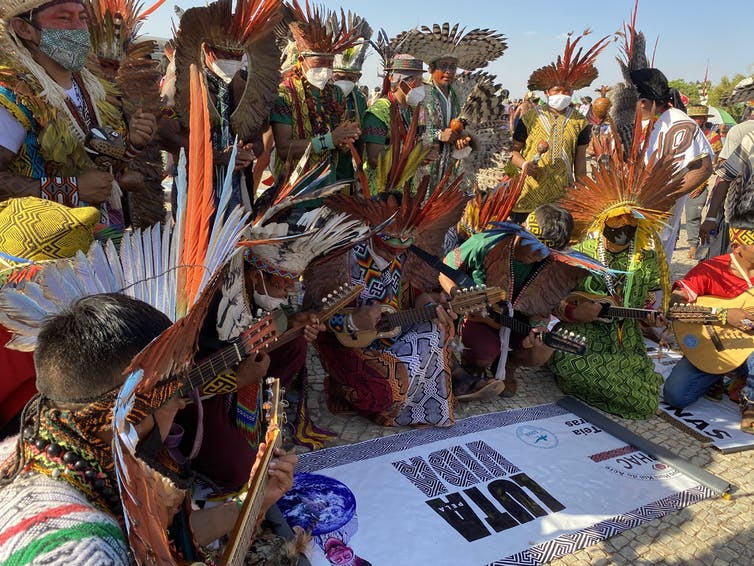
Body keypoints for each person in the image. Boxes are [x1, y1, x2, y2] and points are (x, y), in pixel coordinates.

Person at [0, 294, 297, 563]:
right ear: (131, 413)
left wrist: (253, 500)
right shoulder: (85, 552)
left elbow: (158, 537)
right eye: (176, 395)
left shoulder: (28, 447)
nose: (182, 406)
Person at [547, 119, 686, 419]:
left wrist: (653, 320)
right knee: (568, 362)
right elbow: (556, 305)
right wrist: (575, 313)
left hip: (625, 343)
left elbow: (649, 314)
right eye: (615, 224)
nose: (621, 232)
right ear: (602, 222)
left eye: (630, 225)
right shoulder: (581, 254)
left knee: (645, 401)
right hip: (582, 335)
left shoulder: (647, 261)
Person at [0, 0, 157, 233]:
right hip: (41, 253)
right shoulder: (12, 95)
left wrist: (132, 144)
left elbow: (97, 163)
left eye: (83, 18)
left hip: (101, 244)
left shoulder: (94, 89)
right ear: (24, 29)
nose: (79, 28)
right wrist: (70, 189)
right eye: (64, 18)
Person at [441, 203, 595, 399]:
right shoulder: (488, 242)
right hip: (481, 317)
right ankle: (473, 366)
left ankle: (508, 365)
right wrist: (458, 294)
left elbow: (541, 307)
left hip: (517, 323)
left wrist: (538, 328)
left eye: (546, 251)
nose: (539, 255)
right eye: (535, 246)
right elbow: (445, 269)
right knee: (483, 353)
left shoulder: (551, 263)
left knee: (541, 351)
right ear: (522, 231)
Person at [159, 0, 280, 211]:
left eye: (236, 55)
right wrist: (215, 156)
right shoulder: (179, 85)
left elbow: (259, 141)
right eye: (223, 54)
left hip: (235, 186)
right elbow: (164, 137)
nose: (231, 61)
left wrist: (249, 152)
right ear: (206, 49)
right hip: (193, 183)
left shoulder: (246, 85)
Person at [663, 223, 754, 434]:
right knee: (676, 396)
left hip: (749, 349)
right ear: (736, 246)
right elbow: (674, 309)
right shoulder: (711, 269)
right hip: (714, 345)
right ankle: (721, 374)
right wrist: (723, 316)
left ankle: (750, 399)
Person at [394, 22, 507, 191]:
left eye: (452, 67)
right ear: (431, 68)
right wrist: (438, 134)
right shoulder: (421, 92)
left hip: (450, 167)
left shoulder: (458, 94)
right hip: (422, 166)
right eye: (443, 66)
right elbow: (408, 127)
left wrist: (462, 138)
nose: (448, 71)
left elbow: (465, 126)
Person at [508, 31, 608, 220]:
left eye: (567, 90)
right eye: (557, 90)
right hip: (527, 196)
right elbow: (512, 151)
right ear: (547, 92)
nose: (562, 93)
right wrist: (524, 164)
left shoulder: (580, 122)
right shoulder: (529, 117)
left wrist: (582, 196)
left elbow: (580, 164)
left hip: (562, 198)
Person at [270, 1, 362, 184]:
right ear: (302, 59)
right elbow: (283, 147)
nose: (325, 69)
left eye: (329, 63)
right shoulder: (284, 94)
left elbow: (341, 136)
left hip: (329, 181)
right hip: (294, 187)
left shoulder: (336, 93)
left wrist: (346, 138)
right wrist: (329, 140)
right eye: (319, 62)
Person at [628, 68, 713, 263]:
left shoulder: (680, 123)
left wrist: (665, 196)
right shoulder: (639, 121)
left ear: (644, 102)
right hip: (627, 207)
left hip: (656, 214)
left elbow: (704, 167)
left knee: (651, 265)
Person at [361, 54, 426, 191]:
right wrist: (412, 160)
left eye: (422, 81)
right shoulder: (379, 111)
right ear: (402, 83)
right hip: (381, 190)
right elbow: (374, 158)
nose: (421, 87)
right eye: (417, 82)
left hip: (406, 187)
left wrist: (423, 155)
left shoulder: (413, 110)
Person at [684, 105, 723, 259]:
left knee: (694, 214)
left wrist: (699, 184)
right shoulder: (685, 134)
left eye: (697, 118)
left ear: (705, 119)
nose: (694, 120)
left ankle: (695, 244)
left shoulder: (712, 136)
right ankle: (682, 243)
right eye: (692, 117)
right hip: (681, 180)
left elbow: (714, 163)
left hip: (702, 181)